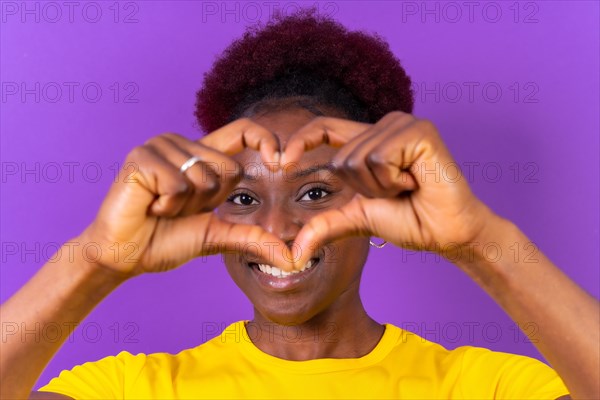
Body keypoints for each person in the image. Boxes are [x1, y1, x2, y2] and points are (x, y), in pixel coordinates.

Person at [1, 8, 598, 400]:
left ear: (381, 203)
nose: (278, 226)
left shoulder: (482, 385)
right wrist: (95, 261)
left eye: (315, 193)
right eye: (242, 197)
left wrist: (479, 241)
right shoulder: (136, 387)